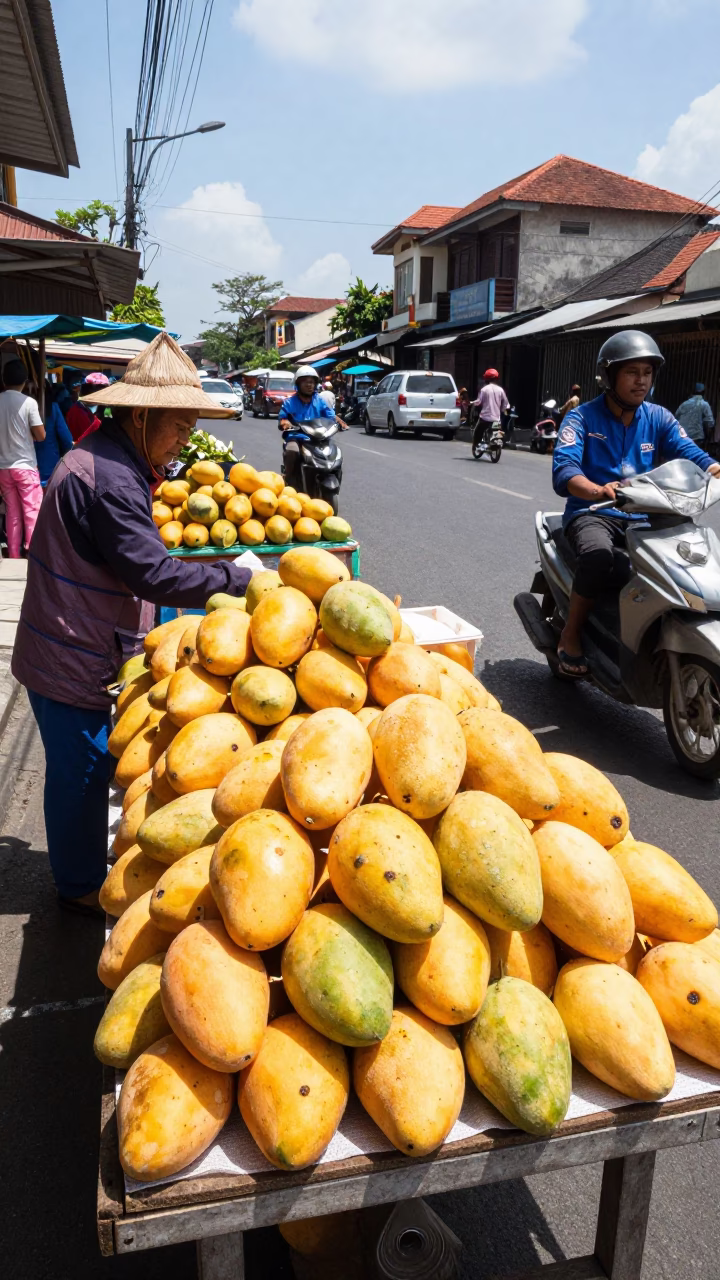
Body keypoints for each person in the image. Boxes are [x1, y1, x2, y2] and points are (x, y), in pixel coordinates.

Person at [12, 332, 253, 915]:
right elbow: (155, 575)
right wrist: (236, 578)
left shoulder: (113, 458)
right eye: (179, 429)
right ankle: (77, 889)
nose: (182, 443)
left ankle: (81, 873)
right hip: (70, 651)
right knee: (83, 776)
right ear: (142, 417)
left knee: (83, 772)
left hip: (70, 640)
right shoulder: (113, 478)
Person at [552, 330, 720, 678]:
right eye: (632, 372)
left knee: (686, 559)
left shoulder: (659, 417)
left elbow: (691, 453)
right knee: (598, 557)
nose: (641, 381)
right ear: (609, 376)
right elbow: (565, 470)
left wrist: (715, 469)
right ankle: (570, 634)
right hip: (593, 513)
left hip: (646, 513)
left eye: (647, 372)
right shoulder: (581, 418)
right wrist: (597, 490)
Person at [0, 357, 46, 557]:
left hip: (3, 467)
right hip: (25, 465)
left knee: (12, 512)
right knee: (31, 510)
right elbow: (41, 435)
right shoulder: (29, 402)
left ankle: (13, 553)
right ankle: (32, 552)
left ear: (3, 380)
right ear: (25, 381)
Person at [35, 380, 74, 485]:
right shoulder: (52, 408)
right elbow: (67, 439)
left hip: (25, 466)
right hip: (49, 464)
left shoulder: (23, 407)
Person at [471, 368, 509, 450]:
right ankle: (497, 441)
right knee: (498, 429)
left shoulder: (484, 389)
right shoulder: (501, 390)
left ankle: (477, 445)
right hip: (496, 418)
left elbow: (478, 402)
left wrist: (472, 403)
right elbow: (505, 403)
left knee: (477, 432)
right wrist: (502, 410)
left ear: (486, 379)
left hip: (485, 418)